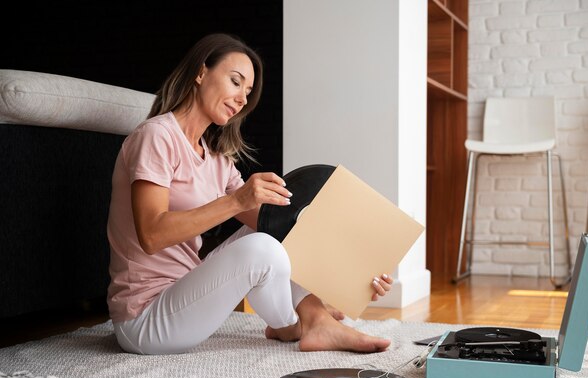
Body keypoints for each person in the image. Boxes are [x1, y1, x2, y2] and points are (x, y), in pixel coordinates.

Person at [106, 33, 394, 355]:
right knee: (261, 248)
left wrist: (358, 273)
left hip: (185, 297)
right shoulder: (157, 136)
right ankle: (299, 325)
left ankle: (313, 320)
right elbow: (151, 234)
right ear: (201, 73)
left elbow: (285, 230)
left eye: (247, 91)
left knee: (278, 227)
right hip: (144, 320)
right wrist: (236, 200)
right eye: (235, 81)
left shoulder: (217, 160)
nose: (243, 98)